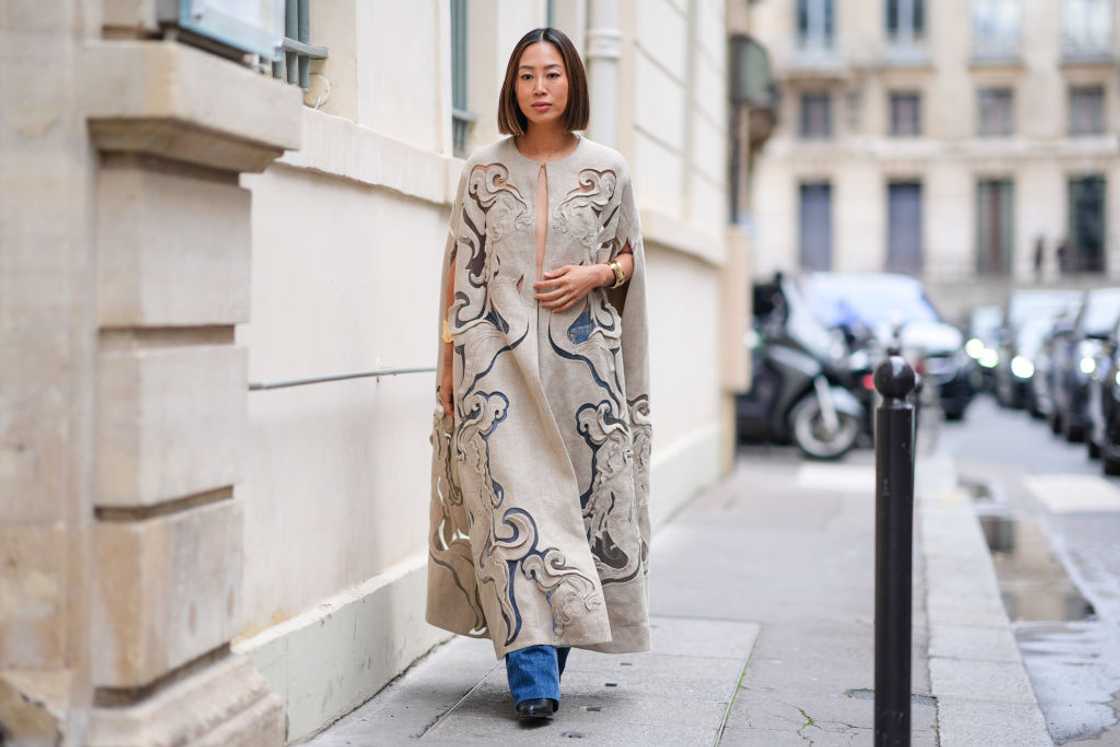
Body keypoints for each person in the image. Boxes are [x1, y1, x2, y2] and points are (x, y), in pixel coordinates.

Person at [425, 27, 652, 723]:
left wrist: (596, 273)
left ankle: (545, 652)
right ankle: (531, 671)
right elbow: (458, 275)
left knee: (574, 514)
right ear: (511, 88)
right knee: (513, 511)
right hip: (498, 367)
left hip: (584, 375)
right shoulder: (483, 172)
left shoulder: (609, 170)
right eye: (526, 75)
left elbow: (631, 262)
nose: (540, 86)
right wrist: (447, 369)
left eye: (551, 73)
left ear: (572, 82)